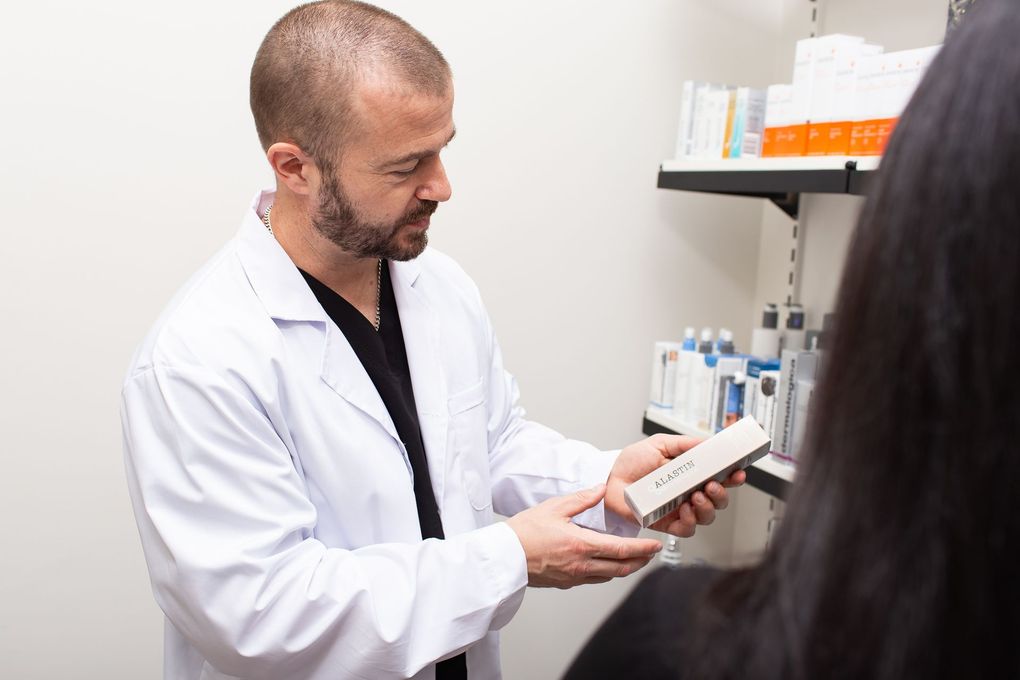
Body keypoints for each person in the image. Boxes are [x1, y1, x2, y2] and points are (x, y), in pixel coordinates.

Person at [120, 2, 744, 679]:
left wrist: (607, 480)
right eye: (405, 167)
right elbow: (265, 615)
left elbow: (489, 445)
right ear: (295, 168)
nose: (442, 186)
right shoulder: (198, 362)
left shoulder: (438, 287)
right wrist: (507, 559)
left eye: (443, 148)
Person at [563, 2, 1020, 679]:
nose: (440, 187)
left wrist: (578, 503)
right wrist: (551, 520)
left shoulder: (683, 645)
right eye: (410, 163)